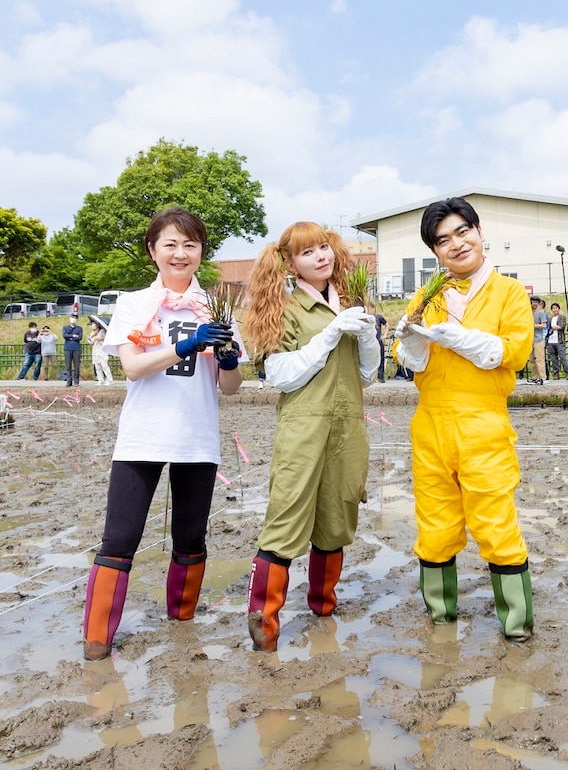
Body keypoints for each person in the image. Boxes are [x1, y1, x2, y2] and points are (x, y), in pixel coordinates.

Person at [82, 208, 243, 661]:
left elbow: (230, 388)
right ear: (153, 250)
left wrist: (228, 359)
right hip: (142, 436)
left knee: (191, 539)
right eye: (170, 244)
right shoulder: (134, 304)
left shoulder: (214, 307)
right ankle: (97, 641)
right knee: (119, 539)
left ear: (200, 253)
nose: (180, 253)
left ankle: (182, 621)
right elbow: (132, 368)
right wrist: (188, 344)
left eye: (190, 245)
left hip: (197, 437)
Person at [393, 197, 534, 640]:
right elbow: (411, 363)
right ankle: (440, 616)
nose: (455, 245)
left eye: (462, 232)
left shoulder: (509, 292)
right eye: (442, 240)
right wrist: (411, 345)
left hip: (483, 425)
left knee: (496, 524)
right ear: (434, 251)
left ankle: (516, 623)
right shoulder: (426, 297)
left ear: (479, 231)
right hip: (430, 425)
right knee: (434, 527)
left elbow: (513, 352)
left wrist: (460, 339)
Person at [243, 222, 379, 652]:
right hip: (303, 427)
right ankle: (264, 623)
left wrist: (369, 334)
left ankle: (323, 607)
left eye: (324, 247)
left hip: (348, 426)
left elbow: (368, 376)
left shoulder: (351, 303)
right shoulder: (284, 308)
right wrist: (330, 333)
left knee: (337, 517)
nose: (321, 257)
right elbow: (280, 376)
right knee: (286, 518)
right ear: (289, 262)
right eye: (307, 253)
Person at [88, 315, 114, 386]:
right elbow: (90, 341)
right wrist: (92, 336)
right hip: (96, 350)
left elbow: (103, 338)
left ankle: (109, 379)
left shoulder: (103, 331)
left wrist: (96, 337)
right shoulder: (92, 332)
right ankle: (100, 380)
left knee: (104, 365)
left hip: (102, 350)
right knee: (97, 366)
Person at [546, 301, 568, 379]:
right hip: (550, 341)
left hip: (559, 340)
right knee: (553, 359)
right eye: (553, 308)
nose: (555, 309)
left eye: (556, 308)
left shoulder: (562, 317)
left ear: (559, 309)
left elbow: (561, 326)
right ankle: (556, 374)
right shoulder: (550, 318)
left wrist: (552, 327)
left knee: (562, 357)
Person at [528, 296, 547, 384]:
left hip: (539, 339)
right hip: (529, 339)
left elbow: (544, 325)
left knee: (539, 359)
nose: (534, 304)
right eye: (533, 302)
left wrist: (533, 325)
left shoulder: (541, 313)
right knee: (531, 360)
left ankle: (542, 377)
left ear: (538, 303)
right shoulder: (527, 312)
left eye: (536, 302)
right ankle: (535, 377)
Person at [62, 313, 84, 386]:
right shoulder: (65, 327)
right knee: (68, 365)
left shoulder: (79, 328)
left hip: (76, 348)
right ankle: (69, 381)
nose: (73, 319)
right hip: (67, 348)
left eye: (75, 317)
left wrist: (70, 337)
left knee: (76, 365)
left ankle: (76, 381)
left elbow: (80, 337)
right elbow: (65, 335)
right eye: (72, 317)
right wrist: (73, 336)